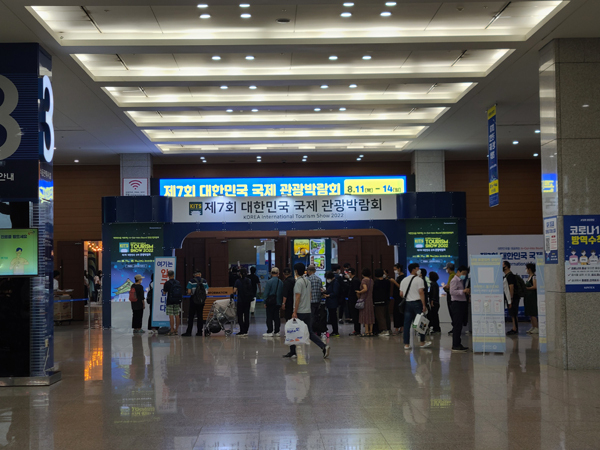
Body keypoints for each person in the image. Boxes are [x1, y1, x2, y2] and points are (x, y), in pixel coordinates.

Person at [283, 262, 330, 359]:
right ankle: (323, 346)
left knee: (293, 331)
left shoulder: (298, 282)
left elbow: (297, 297)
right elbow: (310, 295)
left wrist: (294, 311)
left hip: (300, 311)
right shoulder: (307, 281)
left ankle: (293, 352)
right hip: (308, 310)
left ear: (296, 271)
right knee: (309, 332)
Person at [400, 263, 432, 350]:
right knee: (420, 322)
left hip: (407, 304)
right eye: (418, 268)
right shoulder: (419, 280)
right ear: (413, 269)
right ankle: (422, 342)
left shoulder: (404, 280)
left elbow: (401, 294)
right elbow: (421, 292)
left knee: (407, 324)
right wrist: (424, 305)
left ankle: (406, 344)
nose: (419, 270)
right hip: (417, 303)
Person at [449, 266, 470, 352]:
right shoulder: (454, 280)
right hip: (457, 304)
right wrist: (463, 291)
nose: (464, 275)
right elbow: (452, 292)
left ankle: (458, 343)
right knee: (457, 325)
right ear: (458, 272)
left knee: (460, 325)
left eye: (465, 274)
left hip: (461, 303)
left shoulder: (460, 281)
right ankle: (455, 345)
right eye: (463, 273)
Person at [183, 269, 209, 337]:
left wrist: (192, 293)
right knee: (200, 316)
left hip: (193, 300)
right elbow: (206, 292)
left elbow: (189, 292)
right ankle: (199, 332)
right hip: (201, 301)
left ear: (194, 275)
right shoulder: (204, 281)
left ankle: (189, 332)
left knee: (191, 316)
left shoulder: (191, 281)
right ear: (200, 274)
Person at [262, 267, 283, 337]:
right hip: (278, 302)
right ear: (278, 273)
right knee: (277, 317)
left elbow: (266, 293)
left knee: (269, 317)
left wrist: (265, 302)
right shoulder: (280, 282)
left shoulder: (269, 282)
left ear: (271, 273)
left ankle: (270, 331)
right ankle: (277, 331)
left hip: (270, 302)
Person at [233, 268, 253, 336]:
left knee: (240, 316)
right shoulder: (249, 280)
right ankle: (246, 330)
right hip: (247, 300)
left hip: (240, 301)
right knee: (247, 315)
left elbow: (234, 290)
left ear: (240, 274)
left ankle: (242, 330)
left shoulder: (238, 281)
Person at [356, 268, 375, 337]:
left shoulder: (364, 280)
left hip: (364, 299)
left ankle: (366, 331)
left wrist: (359, 292)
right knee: (371, 315)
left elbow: (365, 289)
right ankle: (371, 331)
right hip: (370, 299)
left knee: (365, 315)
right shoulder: (371, 280)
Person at [163, 270, 182, 336]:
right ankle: (176, 330)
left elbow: (164, 292)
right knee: (177, 315)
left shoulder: (167, 283)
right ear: (174, 275)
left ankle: (171, 330)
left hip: (170, 301)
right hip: (177, 301)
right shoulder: (178, 282)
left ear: (168, 275)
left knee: (171, 315)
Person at [373, 268, 391, 336]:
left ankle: (384, 330)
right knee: (386, 315)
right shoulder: (387, 282)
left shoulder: (375, 282)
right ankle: (388, 329)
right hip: (386, 300)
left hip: (377, 301)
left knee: (380, 316)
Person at [306, 265, 324, 333]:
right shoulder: (319, 279)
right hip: (318, 300)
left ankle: (311, 330)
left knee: (311, 316)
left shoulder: (307, 280)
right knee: (317, 316)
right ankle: (317, 330)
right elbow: (321, 289)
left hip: (310, 301)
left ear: (308, 271)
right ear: (315, 271)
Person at [503, 261, 519, 335]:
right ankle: (514, 327)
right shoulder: (507, 276)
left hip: (513, 297)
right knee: (512, 313)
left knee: (513, 312)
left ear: (506, 266)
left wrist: (511, 299)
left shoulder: (510, 276)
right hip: (510, 297)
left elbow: (511, 287)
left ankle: (515, 328)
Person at [390, 263, 405, 335]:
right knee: (397, 313)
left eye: (395, 269)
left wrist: (394, 282)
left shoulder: (403, 277)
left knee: (399, 313)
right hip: (396, 298)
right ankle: (399, 327)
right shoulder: (398, 277)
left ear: (399, 269)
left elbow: (401, 287)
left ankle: (399, 327)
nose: (394, 271)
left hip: (400, 298)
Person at [324, 271, 340, 337]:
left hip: (333, 303)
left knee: (333, 317)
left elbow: (335, 293)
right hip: (330, 303)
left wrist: (328, 295)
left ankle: (335, 331)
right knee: (332, 317)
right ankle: (334, 331)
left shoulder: (335, 283)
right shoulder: (331, 283)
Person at [347, 268, 362, 336]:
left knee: (355, 315)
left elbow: (356, 291)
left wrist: (358, 300)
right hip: (352, 299)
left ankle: (357, 330)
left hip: (354, 300)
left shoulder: (355, 280)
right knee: (354, 315)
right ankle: (356, 329)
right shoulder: (352, 280)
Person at [524, 263, 539, 334]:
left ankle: (536, 327)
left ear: (529, 269)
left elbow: (535, 286)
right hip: (528, 297)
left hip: (532, 297)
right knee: (530, 313)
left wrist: (527, 288)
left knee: (533, 313)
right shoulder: (529, 277)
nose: (526, 270)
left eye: (526, 268)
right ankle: (533, 326)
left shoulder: (534, 277)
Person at [443, 263, 456, 335]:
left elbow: (448, 287)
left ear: (449, 269)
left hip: (450, 296)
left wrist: (445, 287)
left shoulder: (452, 276)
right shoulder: (454, 275)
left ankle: (454, 328)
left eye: (447, 269)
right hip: (452, 296)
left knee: (452, 312)